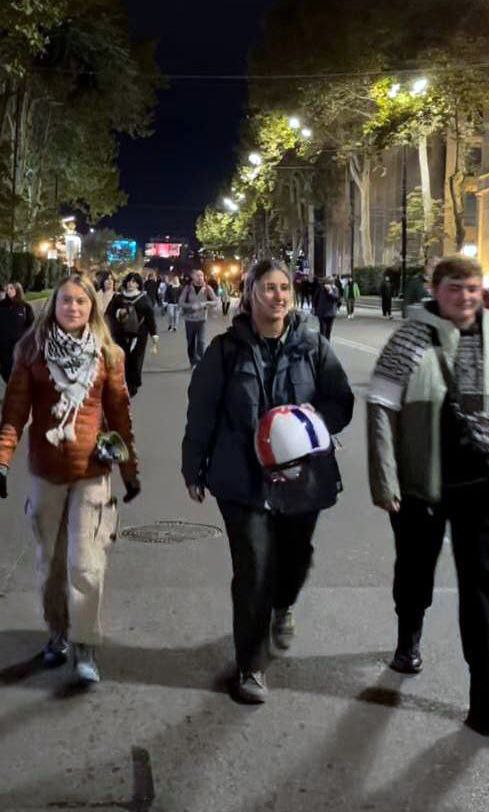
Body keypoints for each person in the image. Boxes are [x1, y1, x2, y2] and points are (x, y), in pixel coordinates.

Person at [367, 255, 489, 736]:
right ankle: (409, 636)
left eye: (472, 288)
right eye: (454, 288)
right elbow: (381, 407)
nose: (465, 297)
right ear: (435, 290)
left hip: (486, 485)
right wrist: (385, 479)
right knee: (416, 569)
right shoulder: (410, 338)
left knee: (485, 588)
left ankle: (486, 694)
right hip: (424, 484)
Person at [182, 259, 354, 704]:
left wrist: (313, 420)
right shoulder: (225, 350)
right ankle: (251, 665)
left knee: (294, 560)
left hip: (302, 479)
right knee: (254, 568)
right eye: (269, 288)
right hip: (242, 478)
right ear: (250, 293)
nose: (279, 296)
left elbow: (342, 400)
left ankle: (284, 605)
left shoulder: (312, 345)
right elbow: (201, 411)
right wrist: (193, 466)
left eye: (284, 288)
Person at [0, 273, 140, 685]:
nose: (73, 308)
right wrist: (0, 461)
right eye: (66, 301)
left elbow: (121, 417)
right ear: (53, 306)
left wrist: (130, 471)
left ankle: (84, 644)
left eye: (81, 302)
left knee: (86, 564)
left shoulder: (108, 356)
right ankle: (57, 633)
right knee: (51, 563)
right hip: (46, 473)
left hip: (92, 473)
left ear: (93, 308)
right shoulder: (31, 352)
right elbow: (15, 413)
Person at [105, 272, 158, 397]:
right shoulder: (118, 298)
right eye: (129, 281)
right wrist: (118, 314)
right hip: (120, 334)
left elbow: (150, 318)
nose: (130, 284)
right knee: (122, 358)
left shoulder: (144, 299)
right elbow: (109, 314)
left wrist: (154, 334)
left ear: (138, 284)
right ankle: (122, 383)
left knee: (136, 359)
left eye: (134, 281)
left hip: (139, 335)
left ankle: (133, 384)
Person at [0, 282, 34, 383]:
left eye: (11, 288)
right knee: (5, 369)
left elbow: (31, 325)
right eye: (7, 289)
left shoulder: (25, 307)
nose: (9, 291)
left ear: (17, 290)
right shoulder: (0, 306)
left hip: (19, 343)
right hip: (4, 344)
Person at [179, 269, 217, 367]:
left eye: (201, 275)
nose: (200, 278)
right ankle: (192, 361)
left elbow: (216, 301)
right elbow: (180, 302)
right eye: (197, 275)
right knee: (191, 342)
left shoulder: (207, 288)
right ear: (193, 277)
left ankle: (201, 363)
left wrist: (205, 303)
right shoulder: (187, 288)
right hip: (190, 320)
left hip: (201, 320)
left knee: (201, 342)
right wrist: (191, 306)